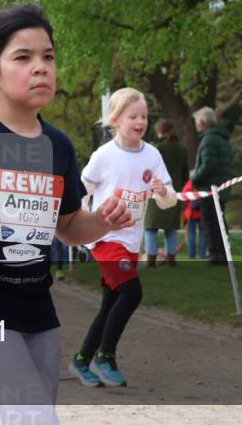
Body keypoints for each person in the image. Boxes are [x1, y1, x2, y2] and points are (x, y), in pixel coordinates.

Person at [0, 3, 134, 423]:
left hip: (37, 307)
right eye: (24, 57)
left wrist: (103, 221)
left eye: (48, 57)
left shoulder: (58, 146)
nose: (41, 68)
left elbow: (70, 228)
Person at [70, 87, 177, 388]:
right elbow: (81, 191)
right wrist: (77, 225)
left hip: (131, 241)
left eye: (144, 116)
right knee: (132, 293)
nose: (140, 121)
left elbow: (170, 199)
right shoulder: (104, 155)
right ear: (115, 120)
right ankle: (106, 356)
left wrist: (162, 191)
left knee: (111, 303)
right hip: (105, 239)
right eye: (133, 116)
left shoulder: (152, 155)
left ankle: (81, 360)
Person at [190, 106, 233, 265]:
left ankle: (216, 255)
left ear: (202, 122)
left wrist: (194, 176)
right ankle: (223, 253)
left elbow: (208, 165)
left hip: (210, 188)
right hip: (220, 187)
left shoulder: (209, 139)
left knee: (210, 222)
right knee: (219, 222)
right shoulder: (221, 138)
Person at [144, 118, 188, 267]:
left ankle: (151, 260)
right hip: (174, 192)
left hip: (156, 192)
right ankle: (171, 259)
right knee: (171, 228)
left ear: (159, 132)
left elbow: (148, 173)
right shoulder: (182, 149)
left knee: (150, 227)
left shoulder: (157, 149)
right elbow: (185, 175)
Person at [182, 179, 208, 259]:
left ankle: (191, 256)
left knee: (191, 236)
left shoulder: (188, 186)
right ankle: (203, 255)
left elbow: (183, 199)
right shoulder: (204, 184)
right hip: (202, 213)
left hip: (191, 214)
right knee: (203, 235)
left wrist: (185, 213)